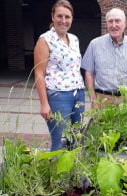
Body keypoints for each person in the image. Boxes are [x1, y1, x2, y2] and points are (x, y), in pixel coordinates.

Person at [33, 0, 85, 151]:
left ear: (72, 19)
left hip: (78, 93)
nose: (63, 21)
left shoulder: (74, 39)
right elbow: (39, 73)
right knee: (59, 141)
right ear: (53, 17)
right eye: (60, 16)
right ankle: (57, 173)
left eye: (67, 17)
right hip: (58, 96)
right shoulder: (45, 40)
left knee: (76, 138)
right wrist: (44, 103)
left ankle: (73, 172)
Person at [81, 8, 127, 107]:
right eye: (110, 21)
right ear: (106, 24)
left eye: (117, 21)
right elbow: (89, 74)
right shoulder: (95, 44)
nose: (113, 25)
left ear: (125, 24)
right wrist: (93, 100)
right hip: (102, 99)